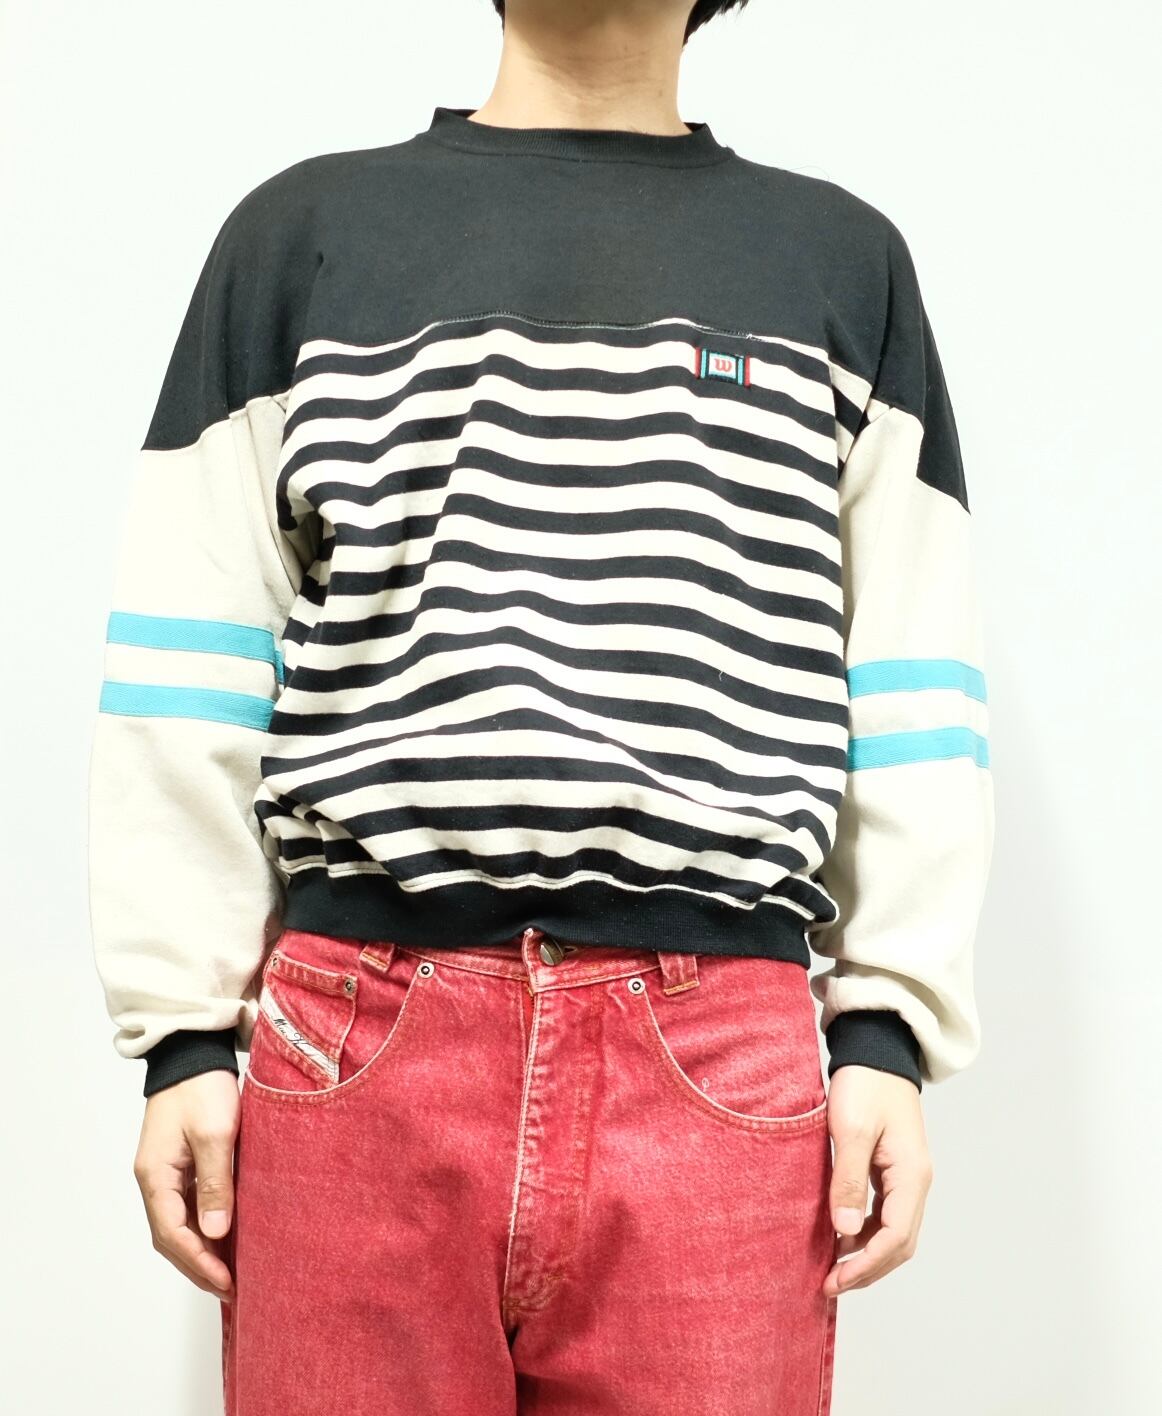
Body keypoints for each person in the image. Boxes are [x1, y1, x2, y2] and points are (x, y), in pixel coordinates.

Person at [87, 1, 995, 1411]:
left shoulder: (837, 261)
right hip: (357, 1038)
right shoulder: (303, 237)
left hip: (722, 1057)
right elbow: (188, 657)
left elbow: (910, 676)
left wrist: (887, 1030)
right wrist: (183, 1038)